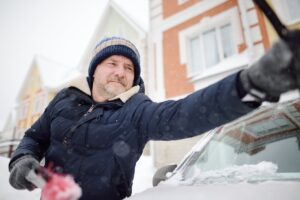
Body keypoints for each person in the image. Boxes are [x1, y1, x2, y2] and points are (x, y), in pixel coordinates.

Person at [8, 33, 300, 200]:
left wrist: (250, 86)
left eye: (129, 68)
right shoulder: (64, 100)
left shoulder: (137, 111)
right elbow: (34, 138)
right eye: (112, 63)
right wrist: (22, 160)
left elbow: (183, 114)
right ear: (94, 69)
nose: (121, 72)